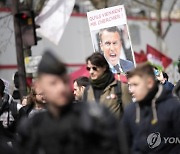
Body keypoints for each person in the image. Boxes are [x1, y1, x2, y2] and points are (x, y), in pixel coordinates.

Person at [17, 51, 129, 154]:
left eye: (64, 81)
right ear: (40, 87)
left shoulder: (95, 117)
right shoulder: (32, 128)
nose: (61, 88)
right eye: (53, 83)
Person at [122, 63, 180, 154]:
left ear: (149, 83)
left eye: (136, 85)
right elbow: (125, 145)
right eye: (130, 85)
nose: (131, 90)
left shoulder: (174, 107)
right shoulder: (130, 111)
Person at [83, 52, 132, 118]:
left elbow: (130, 116)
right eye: (89, 69)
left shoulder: (120, 87)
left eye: (94, 68)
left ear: (104, 67)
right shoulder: (87, 91)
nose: (91, 72)